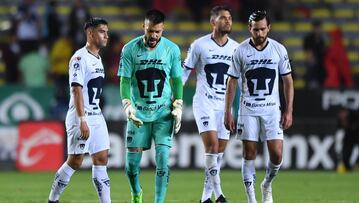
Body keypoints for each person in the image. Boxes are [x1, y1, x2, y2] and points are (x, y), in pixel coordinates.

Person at [224, 11, 294, 203]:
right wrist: (228, 111)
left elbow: (287, 81)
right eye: (256, 29)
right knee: (249, 154)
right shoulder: (240, 51)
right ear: (250, 29)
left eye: (263, 29)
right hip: (248, 110)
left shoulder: (279, 50)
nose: (260, 33)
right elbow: (231, 82)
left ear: (269, 28)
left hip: (272, 110)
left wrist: (288, 110)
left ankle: (267, 183)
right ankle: (252, 200)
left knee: (277, 154)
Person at [118, 9, 183, 203]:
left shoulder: (172, 49)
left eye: (158, 32)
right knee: (131, 166)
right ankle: (136, 193)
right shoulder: (129, 49)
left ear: (163, 29)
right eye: (150, 31)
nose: (153, 36)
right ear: (143, 27)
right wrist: (127, 105)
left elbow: (177, 80)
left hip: (163, 114)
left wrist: (178, 104)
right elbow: (124, 81)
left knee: (163, 160)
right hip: (138, 115)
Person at [47, 17, 111, 203]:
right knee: (75, 161)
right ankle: (52, 200)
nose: (106, 35)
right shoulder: (79, 58)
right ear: (90, 33)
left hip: (97, 115)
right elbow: (76, 89)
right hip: (80, 117)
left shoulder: (98, 59)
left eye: (107, 32)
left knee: (101, 159)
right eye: (102, 31)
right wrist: (82, 119)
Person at [182, 5, 238, 203]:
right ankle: (220, 195)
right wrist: (177, 98)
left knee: (218, 153)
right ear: (213, 21)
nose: (228, 21)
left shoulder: (236, 48)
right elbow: (184, 71)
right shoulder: (199, 45)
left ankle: (205, 198)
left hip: (224, 107)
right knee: (212, 147)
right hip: (204, 103)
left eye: (230, 17)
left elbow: (239, 79)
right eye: (223, 18)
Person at [303, 20, 326, 89]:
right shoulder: (308, 39)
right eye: (317, 28)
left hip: (320, 65)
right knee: (312, 64)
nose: (318, 30)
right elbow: (308, 52)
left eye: (319, 28)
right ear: (314, 28)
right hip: (312, 64)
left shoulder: (321, 40)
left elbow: (322, 53)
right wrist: (311, 59)